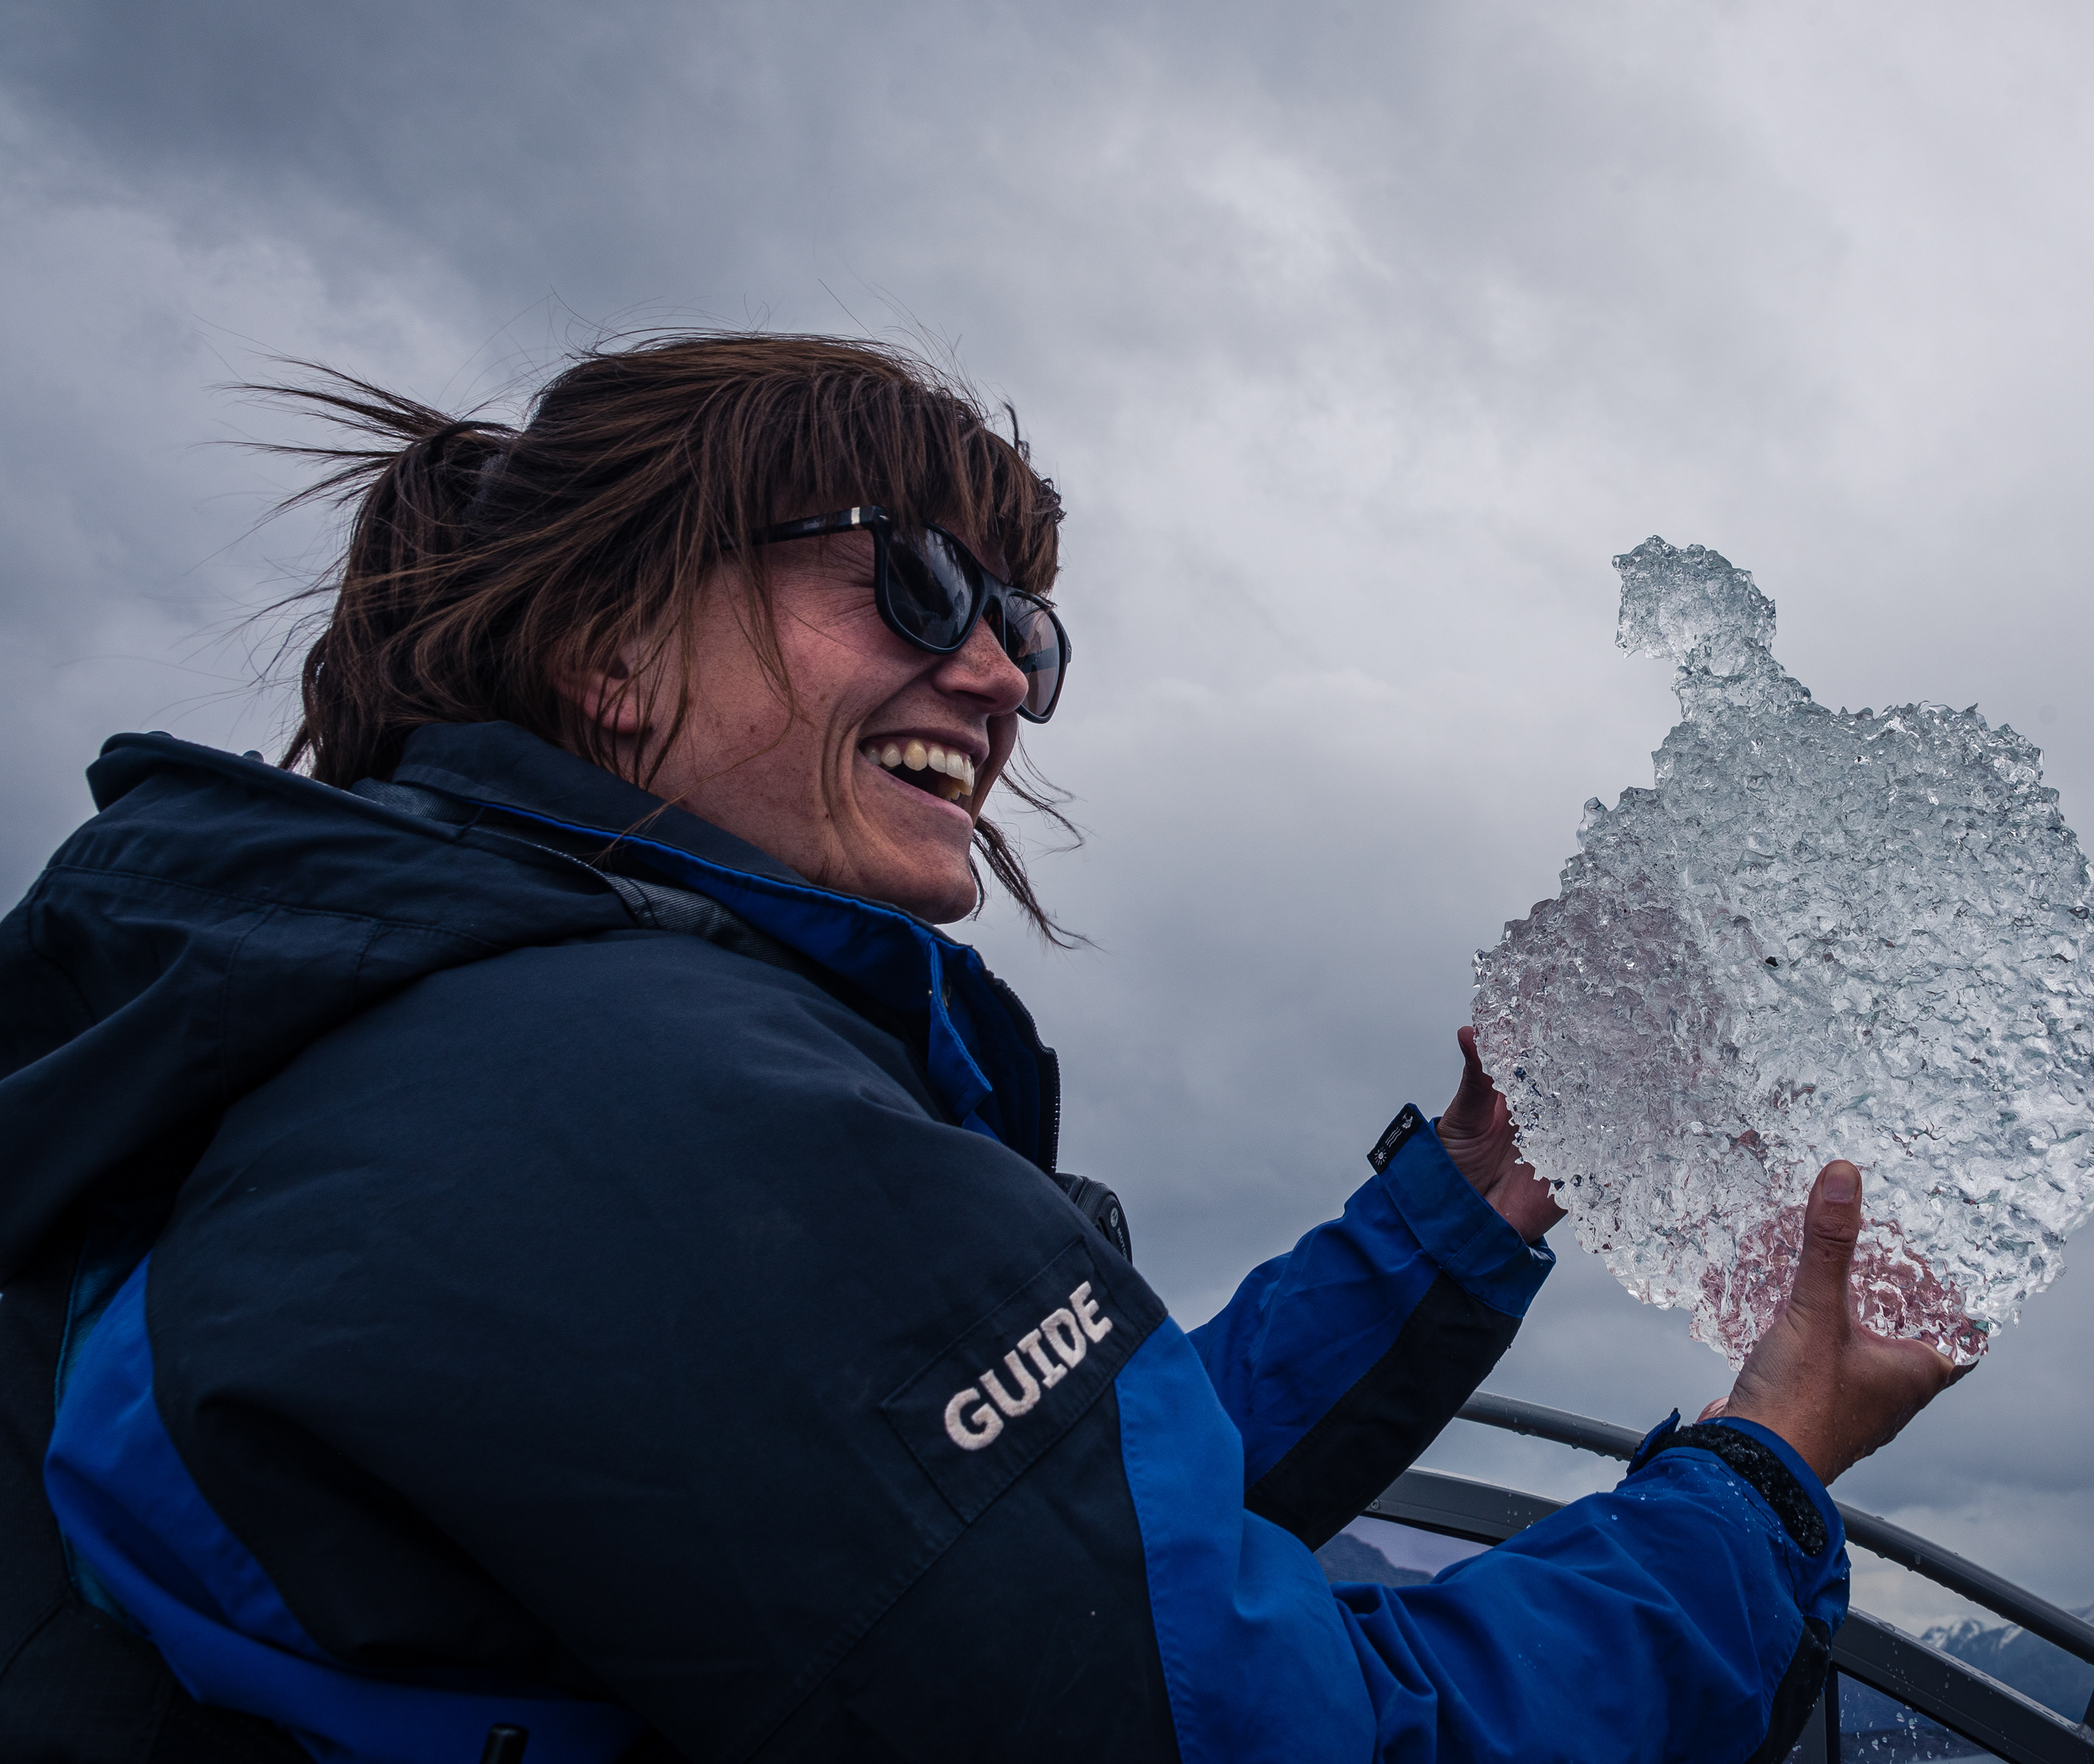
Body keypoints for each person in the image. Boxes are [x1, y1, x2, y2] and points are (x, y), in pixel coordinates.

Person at [0, 334, 1959, 1764]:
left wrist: (1459, 1209)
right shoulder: (656, 1112)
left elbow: (991, 1546)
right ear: (609, 649)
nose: (1007, 670)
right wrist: (1769, 1467)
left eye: (1027, 617)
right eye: (912, 579)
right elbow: (1290, 1741)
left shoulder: (431, 1035)